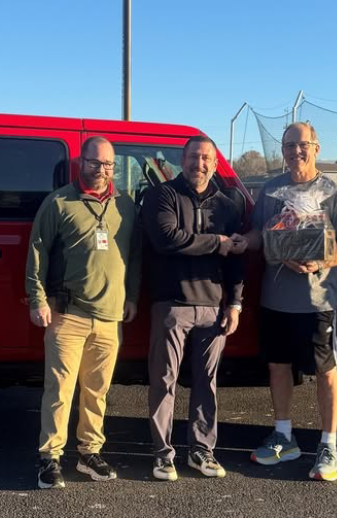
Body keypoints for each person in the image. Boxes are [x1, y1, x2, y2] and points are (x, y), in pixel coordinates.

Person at [243, 122, 337, 482]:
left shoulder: (335, 190)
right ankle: (283, 436)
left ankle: (328, 444)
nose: (296, 151)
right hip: (276, 299)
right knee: (278, 367)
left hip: (317, 300)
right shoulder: (272, 190)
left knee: (326, 371)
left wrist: (322, 261)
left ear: (316, 147)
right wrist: (238, 241)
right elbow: (260, 235)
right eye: (289, 145)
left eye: (302, 145)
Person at [26, 136, 141, 489]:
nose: (103, 171)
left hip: (110, 317)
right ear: (81, 161)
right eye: (95, 163)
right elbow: (37, 252)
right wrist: (37, 299)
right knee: (59, 390)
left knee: (97, 391)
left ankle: (90, 453)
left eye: (109, 165)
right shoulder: (59, 202)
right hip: (68, 313)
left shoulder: (126, 205)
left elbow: (133, 255)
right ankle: (50, 458)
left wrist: (131, 296)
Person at [142, 135, 246, 482]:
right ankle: (163, 455)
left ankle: (202, 451)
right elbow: (168, 239)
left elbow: (236, 260)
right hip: (172, 304)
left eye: (205, 159)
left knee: (207, 383)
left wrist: (235, 303)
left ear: (214, 164)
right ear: (181, 160)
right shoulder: (162, 195)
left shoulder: (228, 205)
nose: (198, 164)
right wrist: (216, 242)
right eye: (192, 157)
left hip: (214, 307)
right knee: (163, 380)